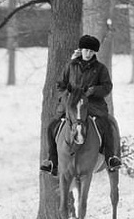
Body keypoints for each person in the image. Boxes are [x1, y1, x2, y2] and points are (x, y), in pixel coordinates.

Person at [40, 35, 122, 176]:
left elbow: (107, 87)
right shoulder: (71, 66)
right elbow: (60, 84)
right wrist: (68, 95)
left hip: (93, 105)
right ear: (80, 50)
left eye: (91, 51)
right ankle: (52, 161)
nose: (88, 53)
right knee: (52, 126)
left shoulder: (100, 69)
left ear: (95, 52)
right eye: (85, 50)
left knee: (107, 125)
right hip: (71, 105)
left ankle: (110, 158)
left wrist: (94, 90)